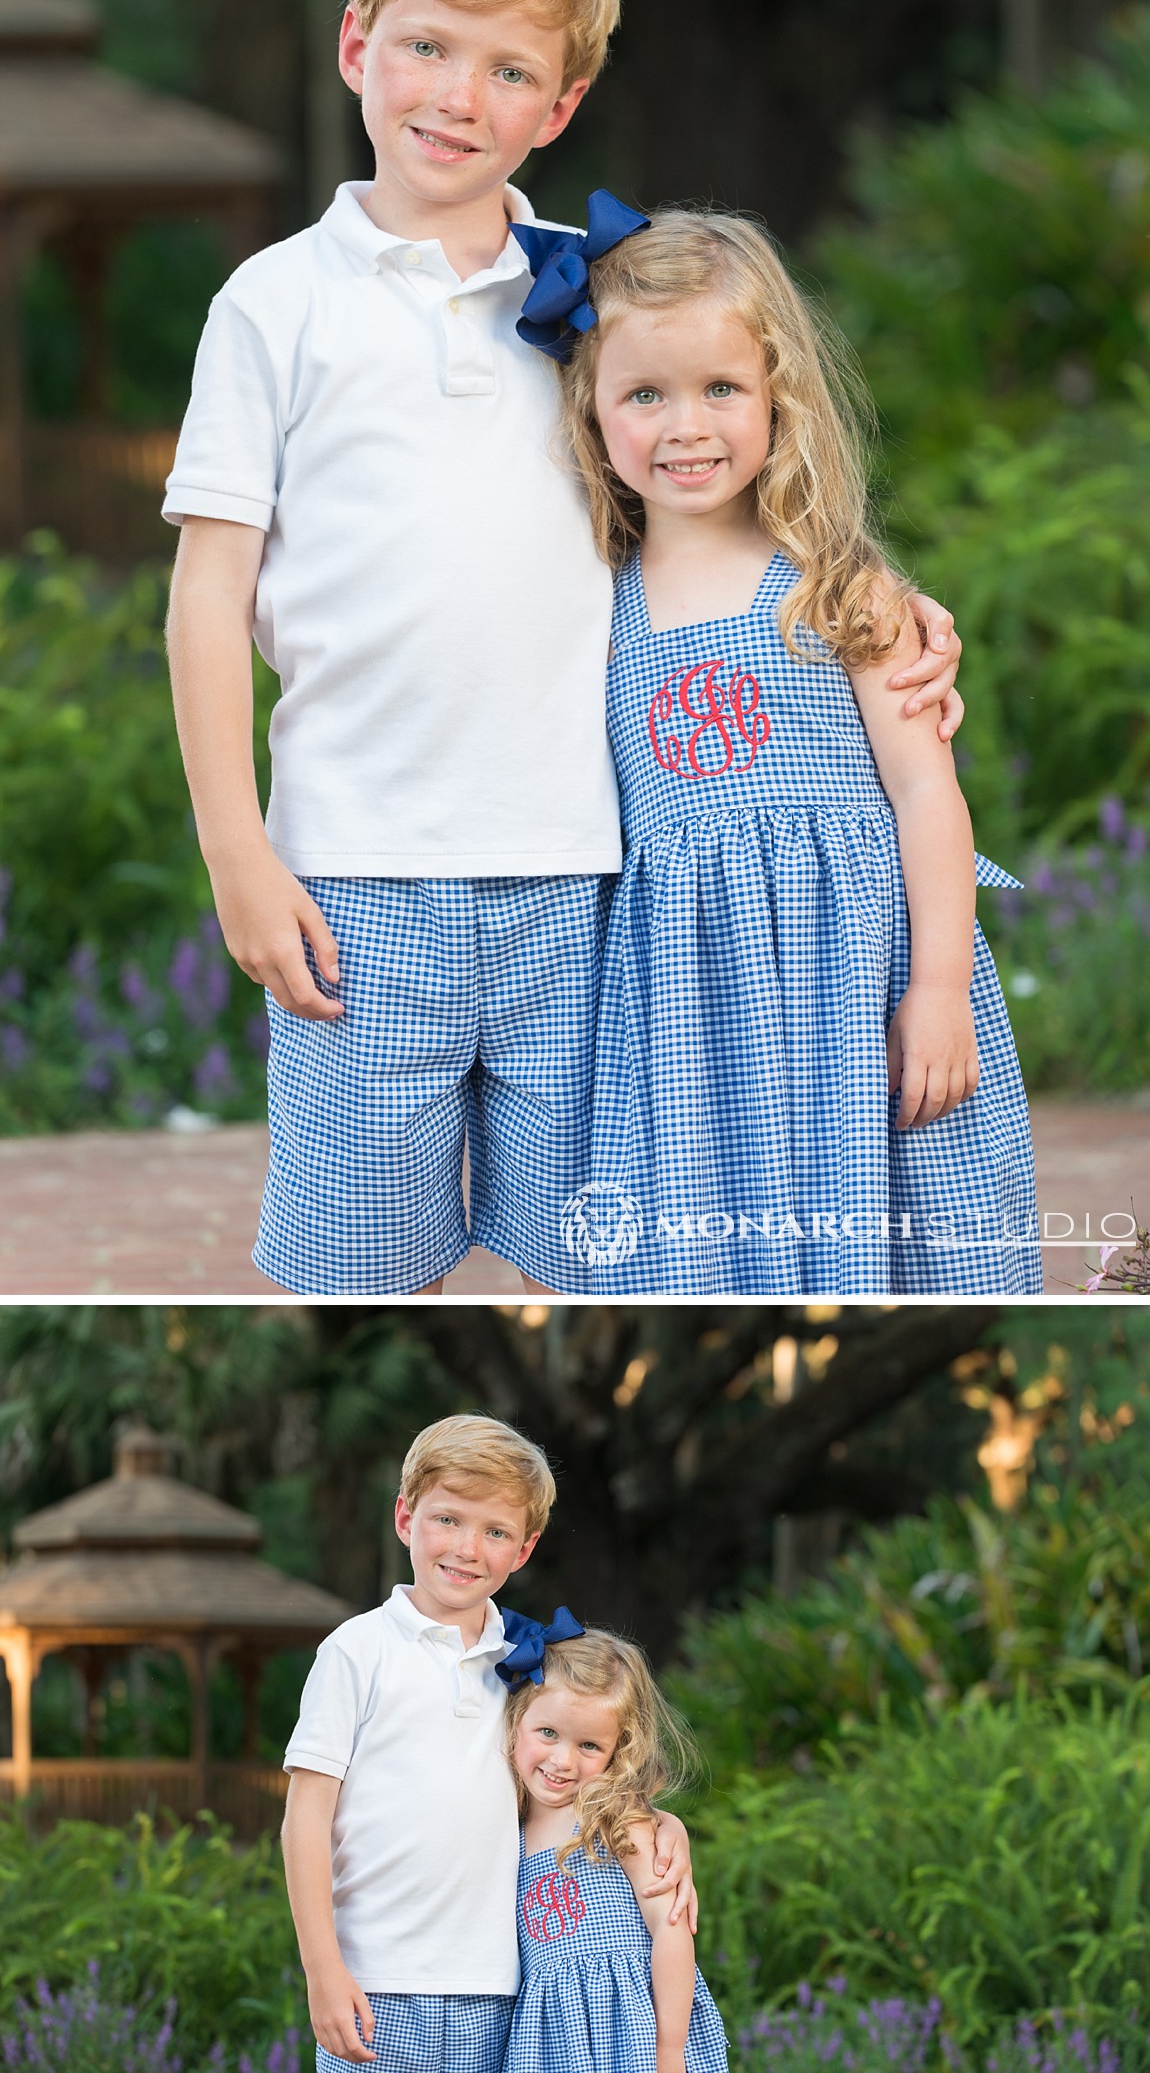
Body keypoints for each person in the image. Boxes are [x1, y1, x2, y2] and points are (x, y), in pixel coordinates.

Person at [163, 0, 964, 1296]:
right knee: (358, 1262)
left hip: (591, 881)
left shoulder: (594, 298)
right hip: (358, 876)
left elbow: (720, 452)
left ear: (561, 105)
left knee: (594, 1257)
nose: (457, 95)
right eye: (425, 46)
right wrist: (238, 850)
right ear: (356, 46)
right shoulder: (275, 305)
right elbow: (207, 597)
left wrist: (867, 594)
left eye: (508, 68)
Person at [513, 205, 1040, 1295]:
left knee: (898, 1222)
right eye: (644, 394)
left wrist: (937, 986)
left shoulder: (839, 587)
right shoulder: (588, 607)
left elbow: (924, 796)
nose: (684, 425)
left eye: (720, 389)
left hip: (860, 978)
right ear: (591, 409)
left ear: (776, 395)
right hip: (688, 1007)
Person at [280, 1413, 696, 2073]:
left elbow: (570, 1773)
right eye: (448, 1519)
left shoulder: (529, 1662)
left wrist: (660, 1823)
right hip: (377, 1983)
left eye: (495, 1531)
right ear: (405, 1519)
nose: (468, 1548)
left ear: (524, 1550)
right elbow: (306, 1816)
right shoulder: (357, 1652)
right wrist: (322, 1967)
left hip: (500, 1991)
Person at [503, 1624, 727, 2073]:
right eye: (547, 1732)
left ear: (617, 1749)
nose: (563, 1761)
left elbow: (671, 1927)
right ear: (516, 1722)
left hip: (634, 2030)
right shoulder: (509, 1826)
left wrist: (669, 2050)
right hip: (551, 2040)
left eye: (589, 1745)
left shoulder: (613, 1813)